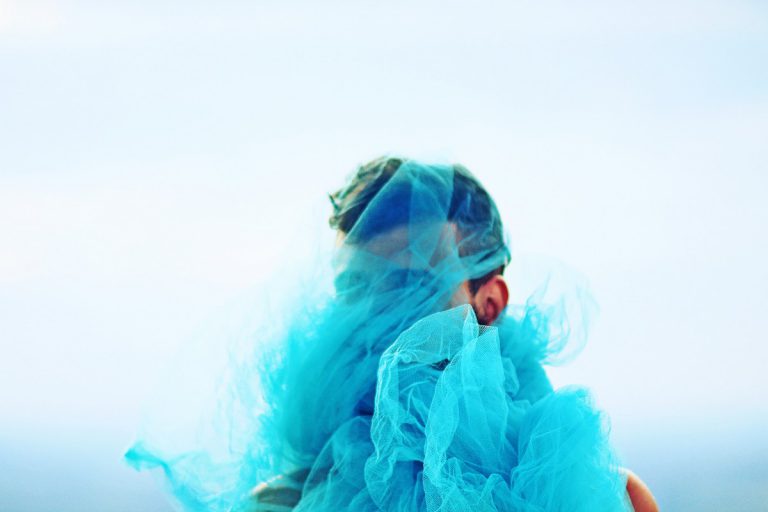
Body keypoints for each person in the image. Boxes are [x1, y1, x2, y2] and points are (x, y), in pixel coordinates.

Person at [127, 157, 657, 511]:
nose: (376, 318)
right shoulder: (284, 505)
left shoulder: (606, 499)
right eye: (356, 289)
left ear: (489, 303)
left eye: (410, 286)